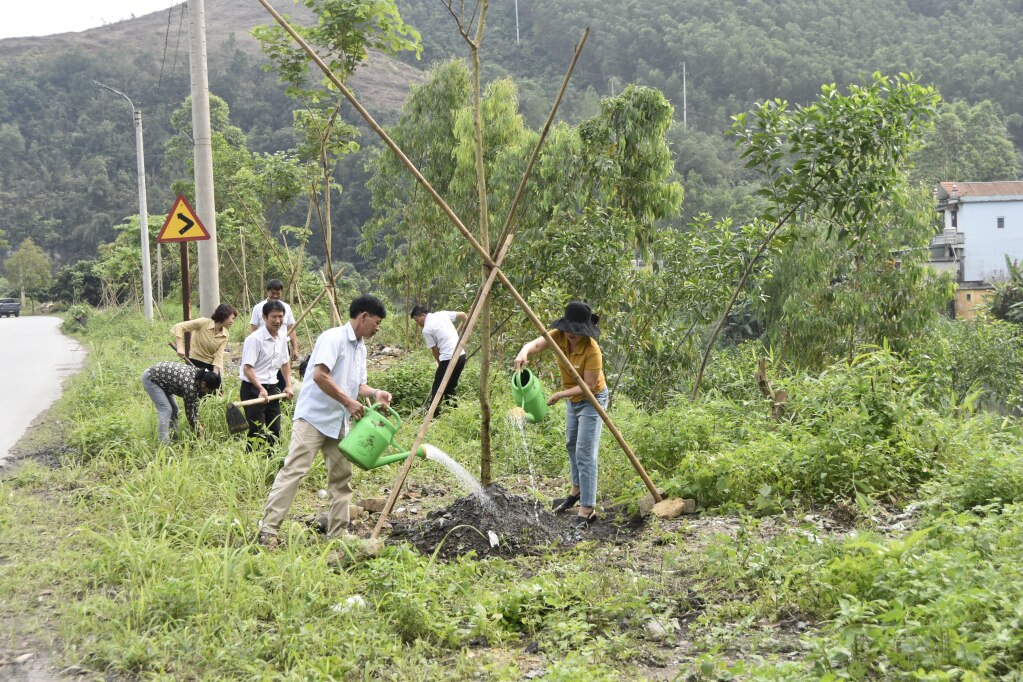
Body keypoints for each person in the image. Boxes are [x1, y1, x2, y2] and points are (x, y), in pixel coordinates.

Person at [258, 294, 393, 549]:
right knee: (294, 471)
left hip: (339, 422)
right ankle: (268, 530)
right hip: (314, 417)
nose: (378, 328)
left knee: (342, 478)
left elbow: (358, 385)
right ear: (363, 317)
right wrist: (348, 402)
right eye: (376, 322)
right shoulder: (334, 338)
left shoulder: (360, 346)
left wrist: (375, 393)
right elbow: (321, 376)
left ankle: (338, 533)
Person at [514, 301, 608, 530]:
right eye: (569, 332)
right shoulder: (559, 335)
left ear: (584, 333)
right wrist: (523, 351)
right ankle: (576, 489)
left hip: (591, 400)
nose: (571, 337)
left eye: (576, 334)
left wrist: (559, 395)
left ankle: (587, 509)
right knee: (571, 444)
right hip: (572, 400)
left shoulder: (592, 350)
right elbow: (536, 344)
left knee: (585, 452)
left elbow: (589, 385)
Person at [239, 300, 294, 451]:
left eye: (281, 317)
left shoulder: (282, 337)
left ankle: (269, 461)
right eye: (274, 317)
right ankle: (251, 462)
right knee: (257, 431)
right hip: (253, 389)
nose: (278, 321)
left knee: (274, 429)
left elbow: (284, 363)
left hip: (272, 388)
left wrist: (288, 385)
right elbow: (247, 368)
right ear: (264, 317)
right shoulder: (255, 339)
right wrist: (260, 388)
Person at [141, 362, 221, 445]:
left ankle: (174, 439)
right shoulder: (190, 386)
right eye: (208, 391)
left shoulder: (200, 375)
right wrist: (197, 428)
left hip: (163, 381)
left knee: (174, 409)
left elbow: (194, 405)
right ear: (203, 384)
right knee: (166, 410)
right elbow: (189, 413)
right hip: (151, 378)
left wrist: (198, 423)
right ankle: (164, 445)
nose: (207, 393)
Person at [410, 304, 468, 412]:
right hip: (461, 356)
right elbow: (464, 315)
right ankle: (453, 412)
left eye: (417, 320)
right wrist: (466, 330)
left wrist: (440, 363)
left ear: (423, 315)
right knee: (450, 387)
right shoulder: (442, 314)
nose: (418, 324)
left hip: (448, 358)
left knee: (438, 387)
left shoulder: (427, 329)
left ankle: (434, 414)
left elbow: (435, 350)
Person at [249, 279, 299, 389]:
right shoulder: (258, 307)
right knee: (264, 372)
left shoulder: (286, 308)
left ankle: (282, 394)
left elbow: (291, 327)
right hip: (264, 346)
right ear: (268, 292)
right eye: (273, 293)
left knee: (283, 371)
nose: (275, 296)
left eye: (278, 293)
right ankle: (262, 391)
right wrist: (252, 345)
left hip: (282, 345)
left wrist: (295, 347)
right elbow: (253, 327)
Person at [171, 303, 238, 374]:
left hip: (209, 365)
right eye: (232, 318)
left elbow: (219, 356)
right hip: (194, 361)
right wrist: (180, 347)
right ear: (225, 316)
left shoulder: (225, 335)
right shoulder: (203, 323)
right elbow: (178, 327)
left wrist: (215, 374)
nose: (232, 322)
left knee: (214, 382)